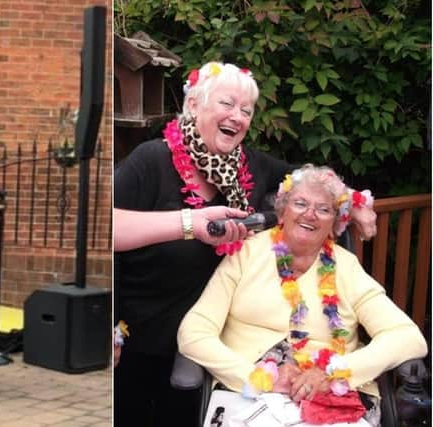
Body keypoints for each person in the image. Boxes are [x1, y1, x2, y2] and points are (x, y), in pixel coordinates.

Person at [113, 62, 377, 426]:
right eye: (226, 104)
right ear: (194, 105)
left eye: (246, 110)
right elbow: (105, 229)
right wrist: (189, 224)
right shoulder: (151, 161)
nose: (236, 117)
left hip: (210, 341)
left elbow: (309, 182)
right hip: (141, 335)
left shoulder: (249, 166)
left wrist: (354, 201)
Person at [177, 164, 427, 426]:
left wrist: (336, 373)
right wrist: (257, 376)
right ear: (282, 212)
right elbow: (194, 332)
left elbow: (407, 337)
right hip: (250, 394)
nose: (310, 214)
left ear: (334, 225)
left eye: (324, 209)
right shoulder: (245, 255)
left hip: (330, 397)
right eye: (300, 204)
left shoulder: (347, 268)